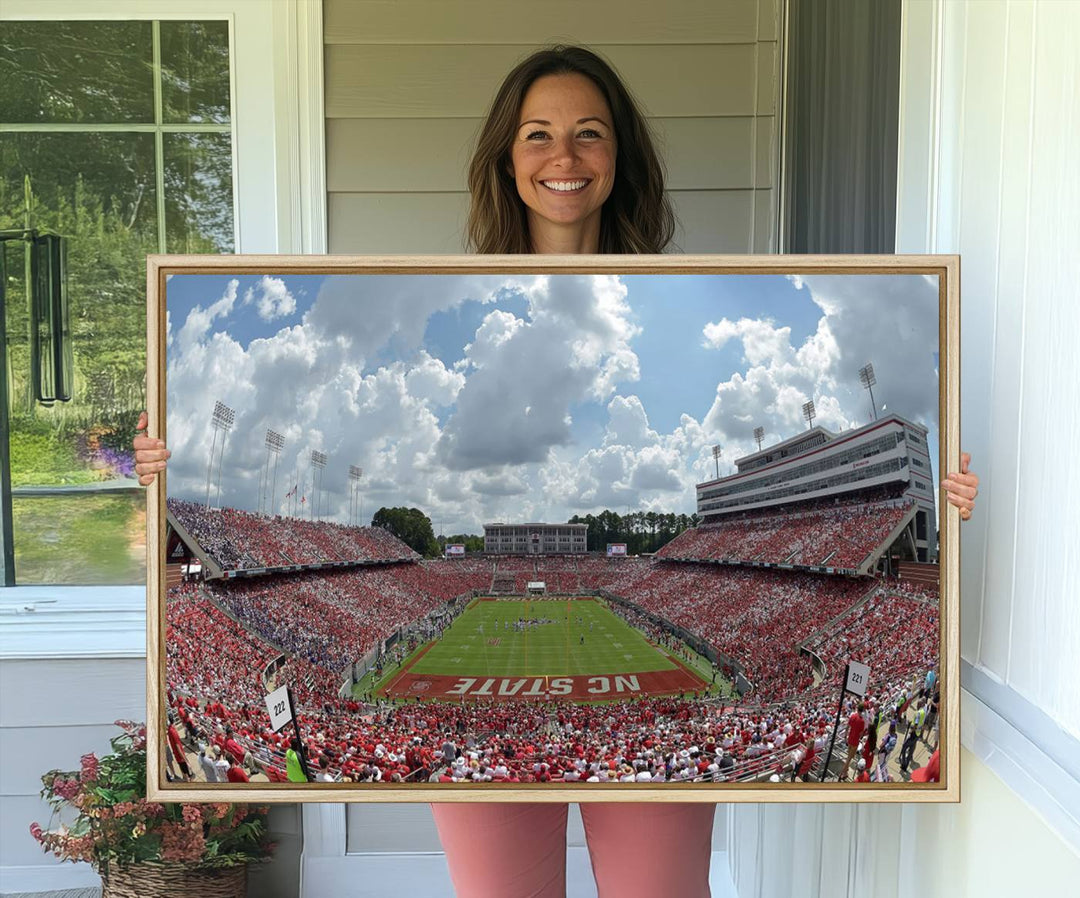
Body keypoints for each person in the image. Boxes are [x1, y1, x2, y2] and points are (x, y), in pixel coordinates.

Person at [135, 42, 980, 898]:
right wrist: (159, 461)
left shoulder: (688, 297)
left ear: (621, 157)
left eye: (589, 133)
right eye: (537, 134)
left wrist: (936, 498)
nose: (563, 157)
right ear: (507, 158)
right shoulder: (455, 295)